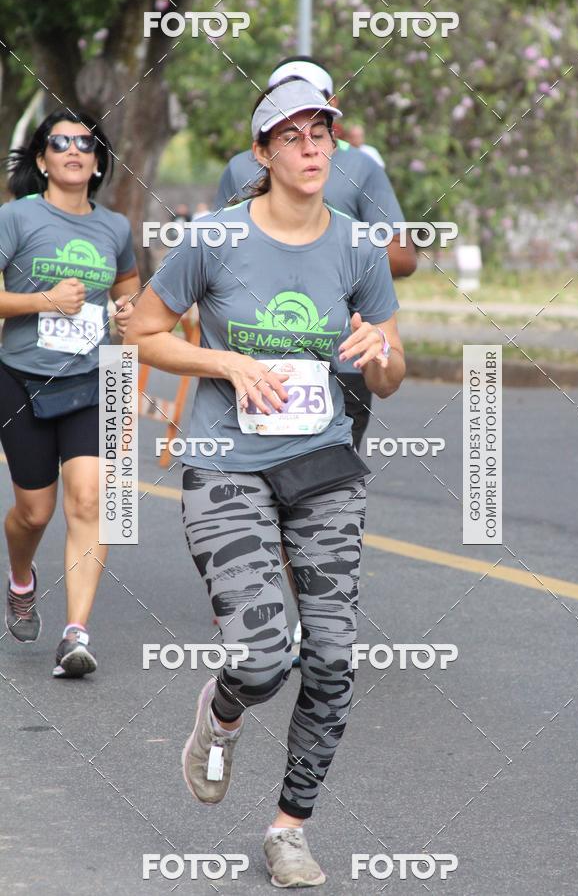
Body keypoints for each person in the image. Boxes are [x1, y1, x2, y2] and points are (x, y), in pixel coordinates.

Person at [125, 78, 405, 887]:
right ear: (263, 153)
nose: (313, 147)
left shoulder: (357, 246)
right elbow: (144, 332)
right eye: (294, 136)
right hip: (225, 461)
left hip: (322, 464)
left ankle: (290, 826)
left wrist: (378, 355)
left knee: (332, 657)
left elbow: (390, 369)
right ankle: (222, 712)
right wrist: (225, 361)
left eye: (323, 134)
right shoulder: (214, 238)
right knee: (259, 655)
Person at [214, 55, 416, 452]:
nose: (306, 144)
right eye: (283, 104)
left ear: (330, 109)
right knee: (250, 493)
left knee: (325, 493)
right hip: (251, 359)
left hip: (341, 359)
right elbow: (210, 265)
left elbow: (405, 256)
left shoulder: (361, 167)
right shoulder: (239, 169)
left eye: (312, 109)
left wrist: (335, 249)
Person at [0, 108, 140, 677]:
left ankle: (75, 633)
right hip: (20, 375)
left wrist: (129, 315)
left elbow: (130, 296)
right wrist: (42, 301)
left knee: (90, 500)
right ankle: (21, 578)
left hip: (93, 378)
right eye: (60, 143)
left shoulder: (116, 228)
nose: (73, 150)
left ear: (99, 161)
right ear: (42, 160)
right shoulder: (15, 218)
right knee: (35, 512)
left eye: (85, 143)